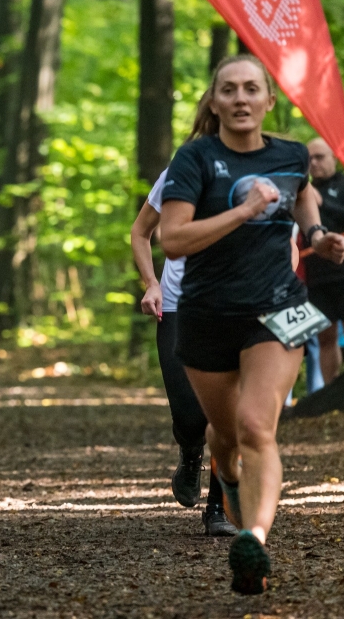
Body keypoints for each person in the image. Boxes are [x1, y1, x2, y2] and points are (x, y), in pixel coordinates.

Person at [159, 55, 344, 594]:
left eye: (251, 89)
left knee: (257, 427)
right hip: (207, 313)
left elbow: (302, 197)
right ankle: (227, 475)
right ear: (214, 102)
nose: (240, 99)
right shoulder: (195, 158)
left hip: (277, 307)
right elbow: (172, 240)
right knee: (224, 436)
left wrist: (317, 238)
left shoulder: (291, 155)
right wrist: (242, 213)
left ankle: (255, 542)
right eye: (229, 90)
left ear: (268, 101)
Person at [132, 162, 238, 538]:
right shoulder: (179, 174)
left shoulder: (263, 172)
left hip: (236, 308)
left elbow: (287, 242)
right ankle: (190, 453)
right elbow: (140, 232)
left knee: (228, 415)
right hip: (178, 307)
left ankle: (218, 509)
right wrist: (150, 284)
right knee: (191, 416)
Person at [304, 138, 344, 383]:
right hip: (317, 276)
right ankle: (331, 391)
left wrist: (323, 202)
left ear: (333, 158)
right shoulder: (304, 191)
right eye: (310, 159)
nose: (314, 163)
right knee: (325, 338)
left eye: (320, 157)